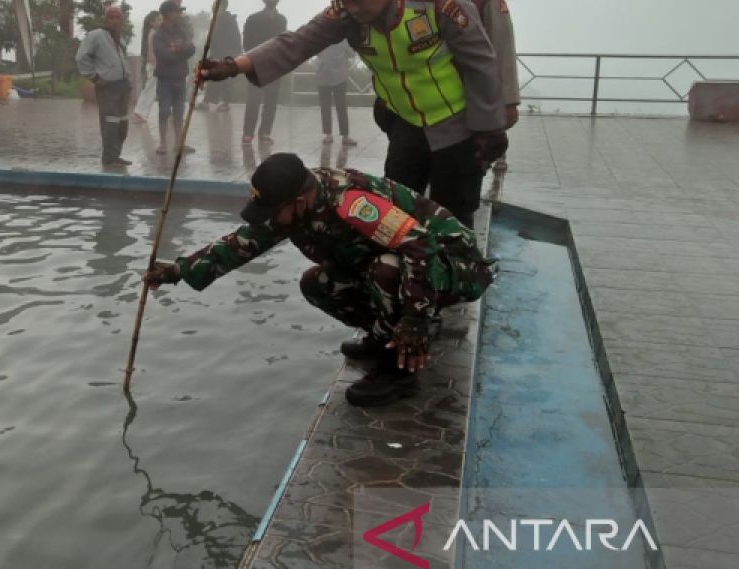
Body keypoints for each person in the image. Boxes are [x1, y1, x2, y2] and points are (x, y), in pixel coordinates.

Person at [142, 153, 495, 407]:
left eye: (273, 211)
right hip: (408, 263)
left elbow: (421, 246)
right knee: (318, 282)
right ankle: (384, 339)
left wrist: (415, 321)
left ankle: (398, 372)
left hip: (452, 265)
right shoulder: (297, 207)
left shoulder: (350, 202)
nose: (270, 219)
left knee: (386, 269)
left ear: (298, 200)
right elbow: (242, 244)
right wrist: (177, 271)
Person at [197, 0, 507, 226]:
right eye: (346, 2)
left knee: (453, 216)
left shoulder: (436, 0)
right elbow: (298, 42)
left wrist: (490, 128)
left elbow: (481, 61)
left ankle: (456, 281)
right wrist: (232, 66)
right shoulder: (347, 12)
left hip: (456, 126)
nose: (354, 10)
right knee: (396, 211)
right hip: (406, 125)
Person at [424, 0, 520, 169]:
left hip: (477, 99)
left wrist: (508, 102)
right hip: (440, 102)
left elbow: (503, 49)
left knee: (469, 169)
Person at [75, 5, 132, 166]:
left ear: (122, 20)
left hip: (122, 87)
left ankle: (116, 156)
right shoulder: (96, 35)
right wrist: (94, 77)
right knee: (110, 124)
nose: (114, 20)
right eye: (110, 17)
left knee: (122, 124)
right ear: (106, 20)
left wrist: (129, 82)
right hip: (107, 88)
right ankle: (109, 158)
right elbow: (81, 57)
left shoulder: (119, 39)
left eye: (117, 17)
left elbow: (122, 62)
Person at [241, 0, 287, 144]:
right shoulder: (253, 19)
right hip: (256, 65)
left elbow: (283, 42)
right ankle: (248, 133)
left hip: (275, 66)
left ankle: (265, 132)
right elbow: (246, 43)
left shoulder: (282, 20)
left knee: (271, 101)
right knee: (253, 101)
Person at [152, 0, 196, 155]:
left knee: (179, 111)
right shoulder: (159, 35)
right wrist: (180, 52)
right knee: (164, 110)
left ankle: (179, 143)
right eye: (177, 11)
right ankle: (163, 143)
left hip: (180, 77)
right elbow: (163, 55)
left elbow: (191, 49)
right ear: (168, 14)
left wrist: (178, 50)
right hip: (165, 78)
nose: (179, 14)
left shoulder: (181, 31)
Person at [202, 0, 242, 112]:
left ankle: (224, 103)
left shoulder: (226, 20)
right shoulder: (219, 19)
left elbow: (226, 39)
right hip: (220, 52)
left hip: (226, 53)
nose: (212, 6)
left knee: (224, 79)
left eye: (215, 4)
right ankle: (208, 101)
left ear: (222, 6)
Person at [314, 41, 358, 146]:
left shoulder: (322, 38)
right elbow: (352, 54)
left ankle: (331, 135)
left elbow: (316, 52)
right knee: (338, 107)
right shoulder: (342, 40)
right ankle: (343, 136)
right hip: (332, 77)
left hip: (326, 76)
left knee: (330, 107)